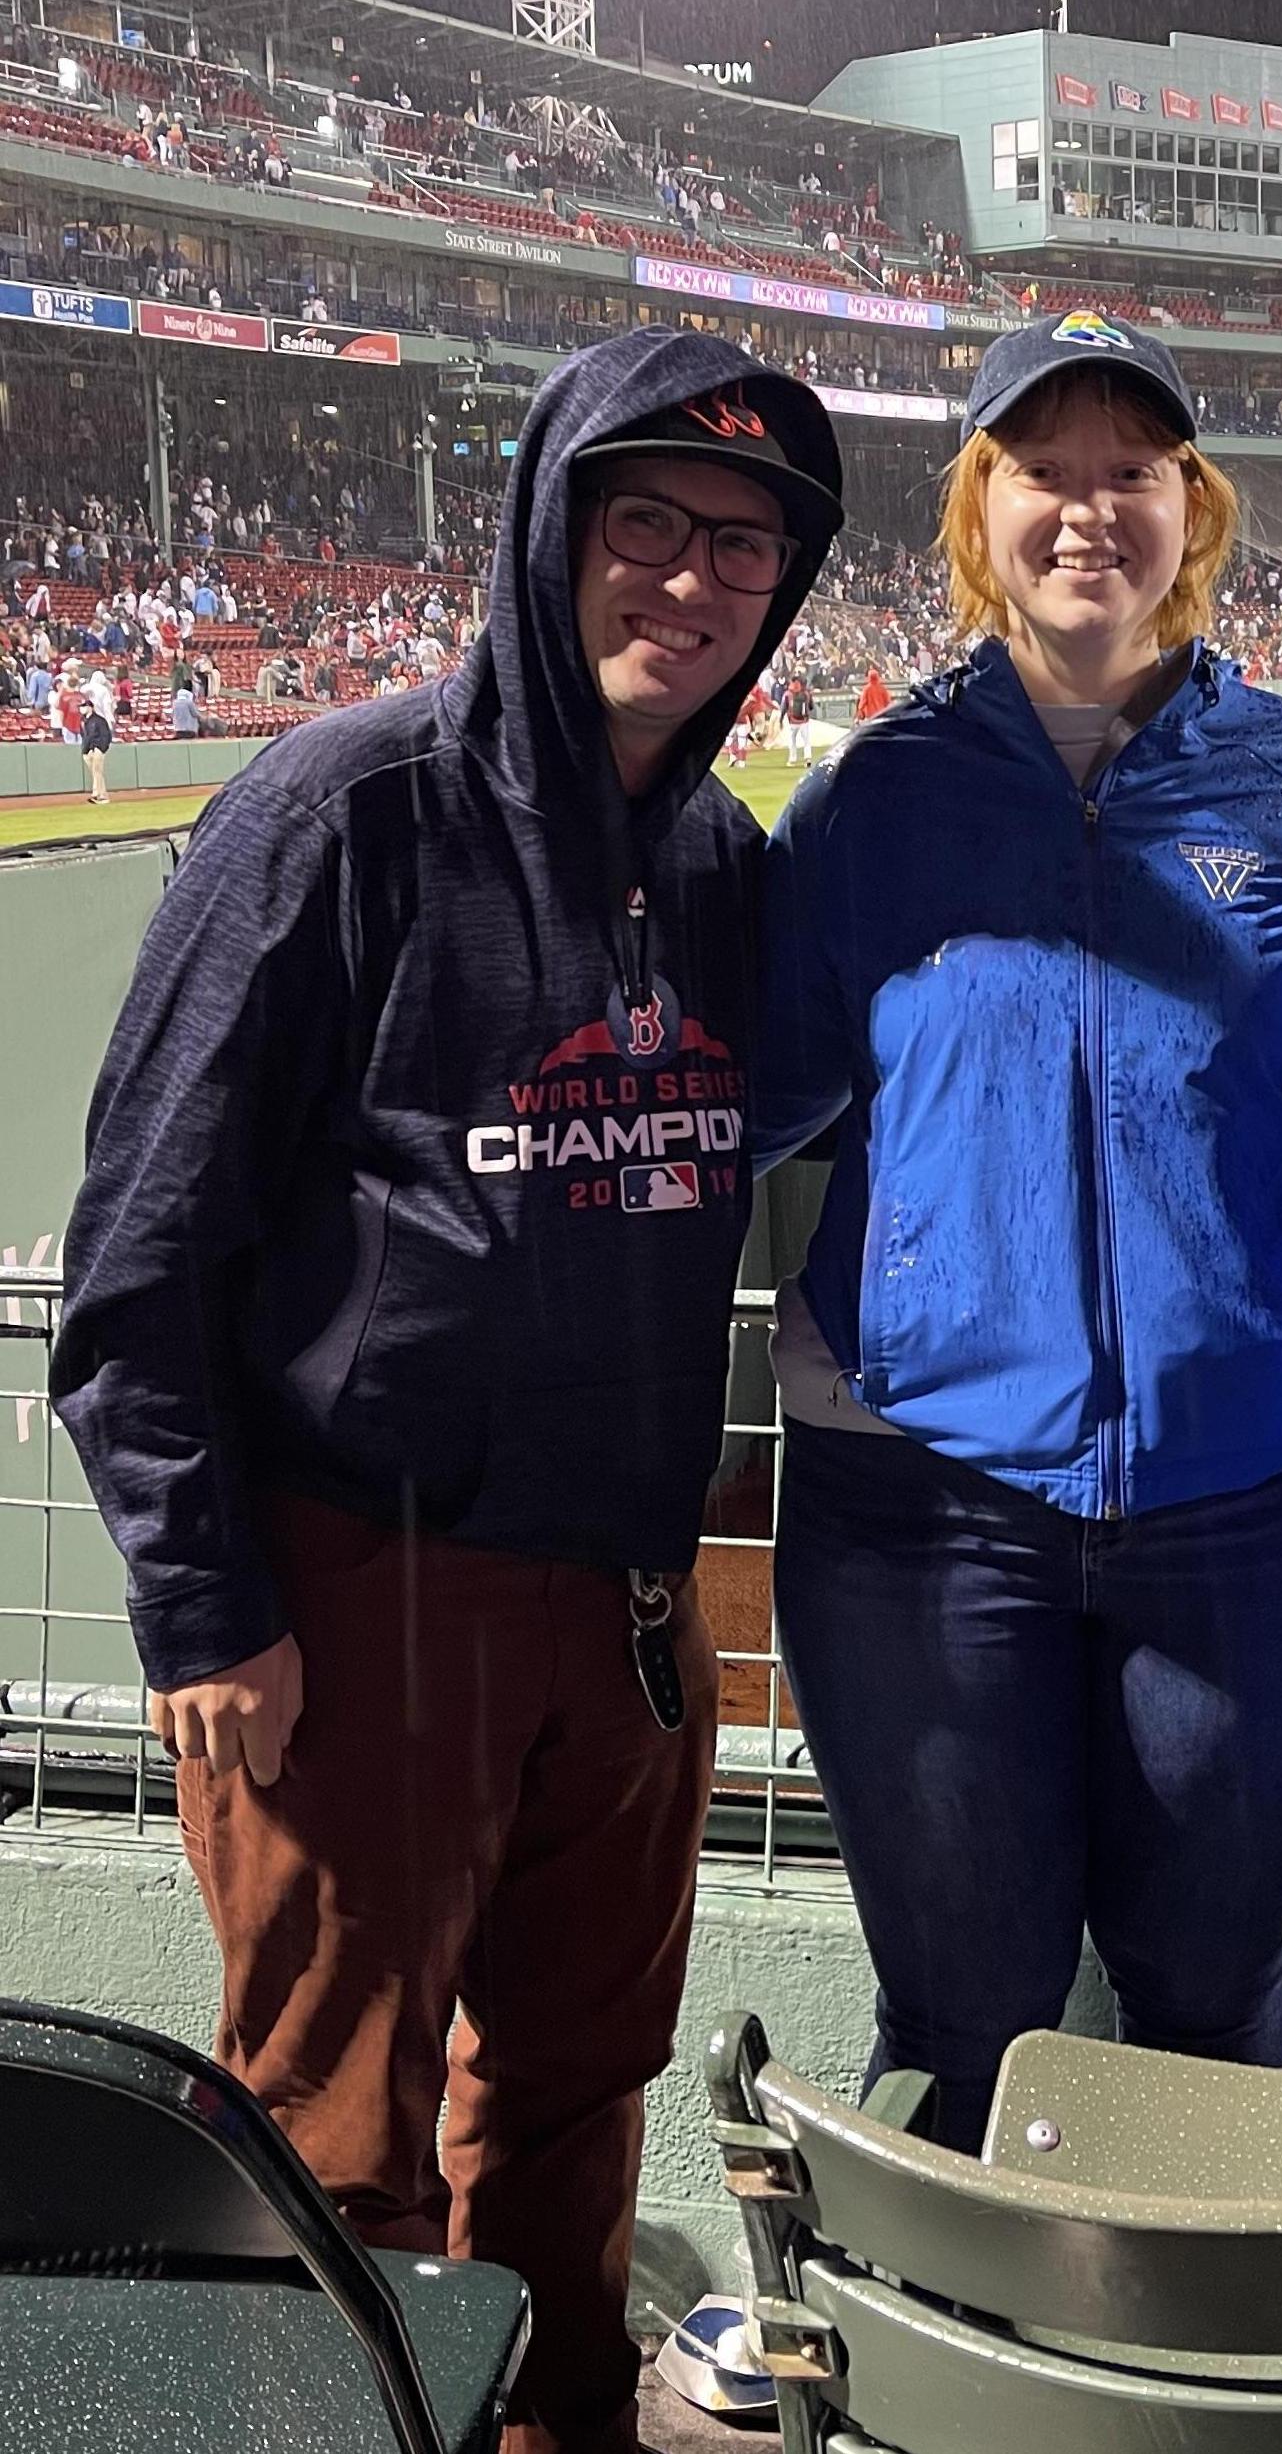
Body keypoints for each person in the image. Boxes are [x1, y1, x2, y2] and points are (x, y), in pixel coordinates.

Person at [51, 329, 844, 2454]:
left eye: (743, 548)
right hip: (364, 1582)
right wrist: (203, 1601)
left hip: (625, 1602)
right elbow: (137, 1255)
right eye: (646, 523)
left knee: (582, 2097)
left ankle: (553, 2425)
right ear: (551, 528)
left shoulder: (722, 867)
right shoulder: (341, 809)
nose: (689, 580)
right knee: (338, 2128)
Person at [752, 311, 1282, 2152]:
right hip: (921, 1516)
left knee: (1207, 2008)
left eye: (1133, 472)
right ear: (979, 507)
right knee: (957, 2026)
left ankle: (1208, 2420)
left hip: (1245, 1514)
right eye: (1046, 469)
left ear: (1191, 510)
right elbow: (739, 1109)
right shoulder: (870, 799)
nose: (1089, 509)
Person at [78, 674, 114, 803]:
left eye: (84, 706)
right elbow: (85, 736)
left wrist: (99, 748)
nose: (82, 709)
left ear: (91, 707)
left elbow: (106, 735)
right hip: (88, 750)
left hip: (97, 748)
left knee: (97, 771)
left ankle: (96, 794)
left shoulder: (99, 720)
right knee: (96, 773)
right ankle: (102, 795)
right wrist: (85, 750)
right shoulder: (83, 721)